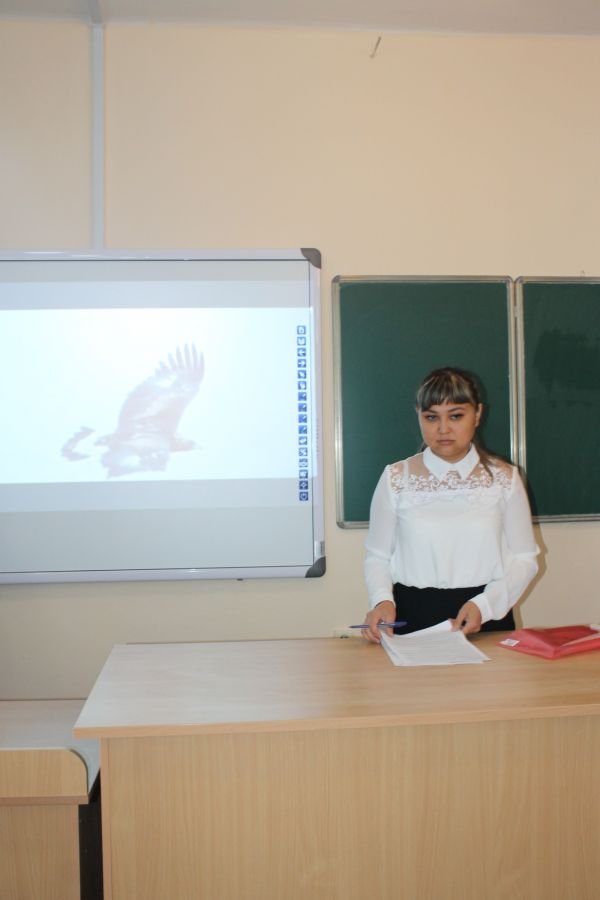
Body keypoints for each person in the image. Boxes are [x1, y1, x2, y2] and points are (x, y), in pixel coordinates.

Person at [362, 367, 539, 643]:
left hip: (485, 616)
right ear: (419, 416)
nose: (443, 429)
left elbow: (525, 559)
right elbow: (378, 557)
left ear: (477, 414)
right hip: (412, 617)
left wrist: (485, 605)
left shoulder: (505, 479)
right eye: (431, 417)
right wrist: (382, 600)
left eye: (456, 416)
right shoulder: (396, 478)